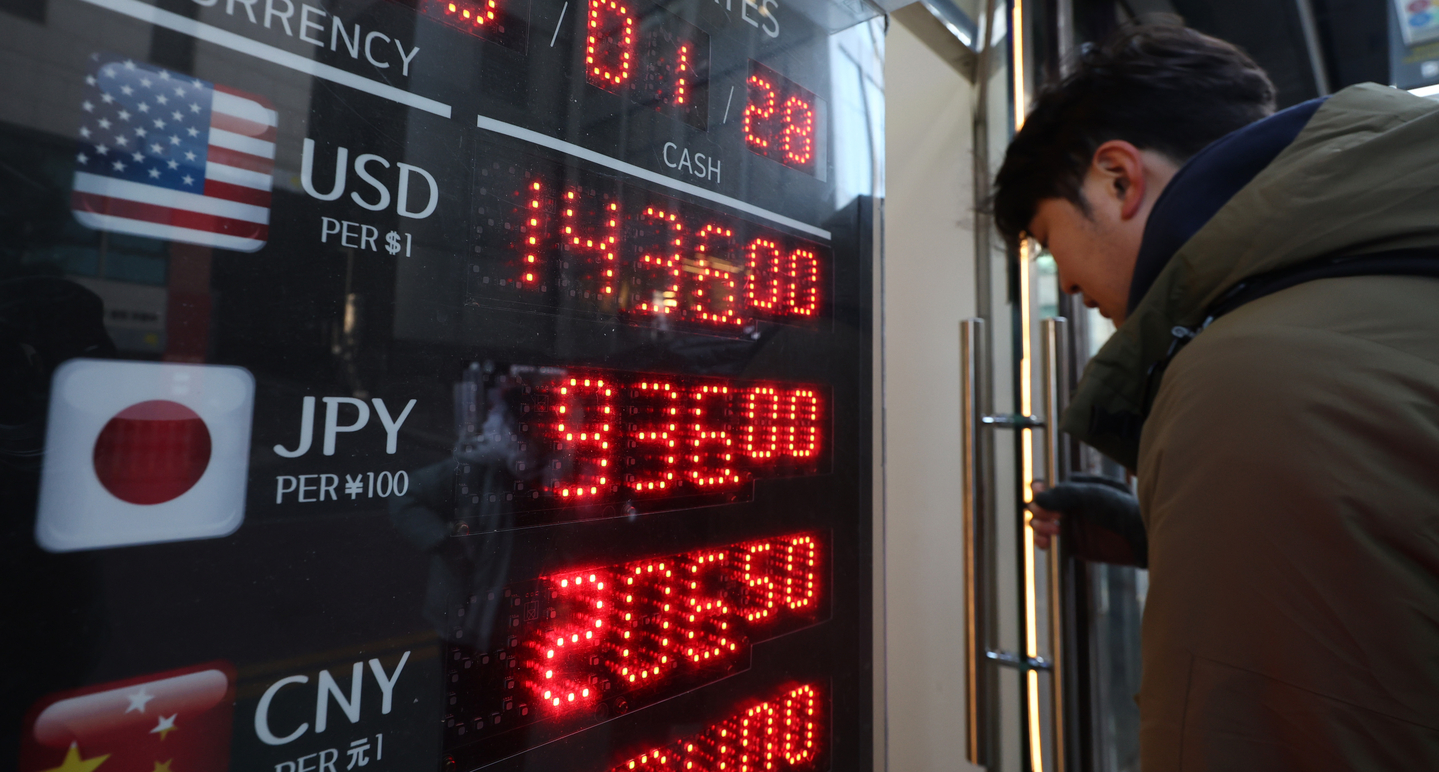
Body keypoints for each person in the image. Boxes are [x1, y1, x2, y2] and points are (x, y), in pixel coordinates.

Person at [992, 21, 1439, 771]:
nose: (1064, 283)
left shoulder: (1237, 385)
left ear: (1116, 178)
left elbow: (1267, 733)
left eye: (1046, 236)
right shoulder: (1384, 263)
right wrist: (1169, 535)